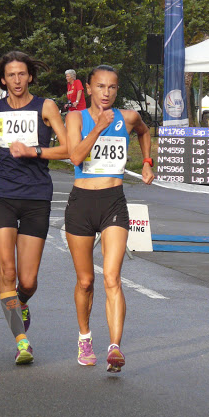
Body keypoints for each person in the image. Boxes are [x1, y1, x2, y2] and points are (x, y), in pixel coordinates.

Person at [0, 50, 67, 365]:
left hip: (36, 196)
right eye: (10, 75)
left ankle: (21, 301)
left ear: (30, 76)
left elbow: (68, 148)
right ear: (2, 79)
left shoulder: (46, 106)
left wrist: (34, 150)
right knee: (7, 270)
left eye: (22, 74)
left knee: (27, 281)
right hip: (3, 194)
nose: (16, 80)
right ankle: (22, 340)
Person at [65, 64, 154, 373]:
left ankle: (114, 348)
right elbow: (75, 156)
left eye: (112, 87)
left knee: (112, 277)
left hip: (114, 201)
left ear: (117, 90)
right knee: (86, 281)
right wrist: (99, 126)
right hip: (81, 202)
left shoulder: (127, 117)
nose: (106, 92)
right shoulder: (76, 117)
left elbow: (144, 132)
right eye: (100, 86)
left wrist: (146, 161)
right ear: (88, 88)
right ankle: (85, 337)